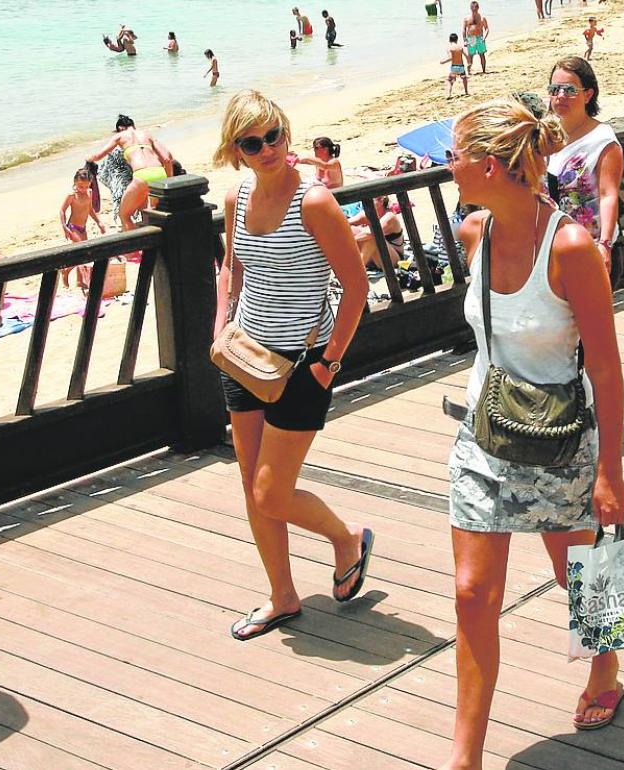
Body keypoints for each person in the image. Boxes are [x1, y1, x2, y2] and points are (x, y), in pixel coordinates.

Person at [442, 97, 624, 769]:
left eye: (455, 156)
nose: (448, 167)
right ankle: (465, 756)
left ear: (490, 166)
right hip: (484, 432)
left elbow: (605, 365)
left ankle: (606, 669)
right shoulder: (474, 233)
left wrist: (611, 472)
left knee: (579, 571)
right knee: (472, 594)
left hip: (561, 437)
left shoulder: (570, 247)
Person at [210, 91, 372, 642]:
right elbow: (231, 268)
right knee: (250, 482)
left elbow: (356, 287)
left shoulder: (314, 202)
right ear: (236, 150)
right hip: (244, 356)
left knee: (271, 492)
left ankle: (346, 538)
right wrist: (221, 324)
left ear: (286, 132)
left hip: (303, 363)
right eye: (252, 143)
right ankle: (282, 595)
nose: (267, 149)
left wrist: (330, 361)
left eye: (273, 135)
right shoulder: (236, 197)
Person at [546, 57, 624, 280]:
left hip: (591, 251)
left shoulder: (602, 140)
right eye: (555, 89)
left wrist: (605, 244)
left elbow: (608, 195)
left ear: (588, 95)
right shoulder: (546, 135)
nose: (560, 96)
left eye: (570, 90)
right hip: (551, 252)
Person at [84, 115, 174, 232]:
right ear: (133, 125)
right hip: (159, 173)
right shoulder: (147, 134)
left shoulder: (119, 136)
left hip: (141, 175)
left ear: (120, 128)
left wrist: (89, 158)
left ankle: (136, 243)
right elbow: (167, 158)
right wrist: (169, 181)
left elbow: (98, 156)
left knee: (124, 215)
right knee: (152, 211)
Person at [348, 195, 404, 269]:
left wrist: (350, 240)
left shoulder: (390, 217)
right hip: (373, 258)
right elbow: (345, 222)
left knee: (374, 237)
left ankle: (357, 269)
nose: (365, 204)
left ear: (381, 200)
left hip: (392, 260)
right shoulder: (367, 213)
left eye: (370, 200)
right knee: (351, 229)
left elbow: (370, 234)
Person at [60, 168, 106, 249]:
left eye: (86, 186)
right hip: (73, 227)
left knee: (85, 250)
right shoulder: (72, 195)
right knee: (81, 247)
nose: (84, 189)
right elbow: (62, 210)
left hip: (83, 228)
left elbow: (90, 210)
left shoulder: (89, 192)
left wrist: (98, 222)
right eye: (81, 186)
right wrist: (64, 226)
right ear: (75, 182)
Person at [463, 2, 490, 74]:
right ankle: (468, 71)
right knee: (470, 55)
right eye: (472, 8)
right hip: (470, 38)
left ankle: (484, 70)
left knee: (482, 54)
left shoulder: (482, 18)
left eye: (475, 8)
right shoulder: (466, 18)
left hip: (479, 38)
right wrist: (465, 40)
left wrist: (484, 37)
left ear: (478, 8)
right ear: (470, 8)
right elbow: (464, 29)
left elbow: (487, 29)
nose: (474, 9)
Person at [443, 33, 470, 97]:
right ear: (457, 40)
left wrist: (443, 62)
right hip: (461, 67)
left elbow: (450, 58)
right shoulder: (460, 47)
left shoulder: (449, 48)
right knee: (464, 79)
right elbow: (467, 55)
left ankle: (449, 94)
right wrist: (469, 62)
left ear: (449, 40)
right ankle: (466, 91)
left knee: (450, 80)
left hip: (454, 67)